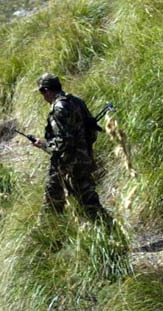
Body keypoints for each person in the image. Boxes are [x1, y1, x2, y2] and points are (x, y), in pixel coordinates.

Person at [30, 73, 110, 222]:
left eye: (42, 93)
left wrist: (44, 145)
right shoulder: (77, 101)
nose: (43, 97)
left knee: (52, 204)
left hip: (65, 165)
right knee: (89, 202)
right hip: (84, 159)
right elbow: (92, 132)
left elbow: (63, 142)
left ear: (46, 90)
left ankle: (48, 233)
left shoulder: (58, 108)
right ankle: (110, 230)